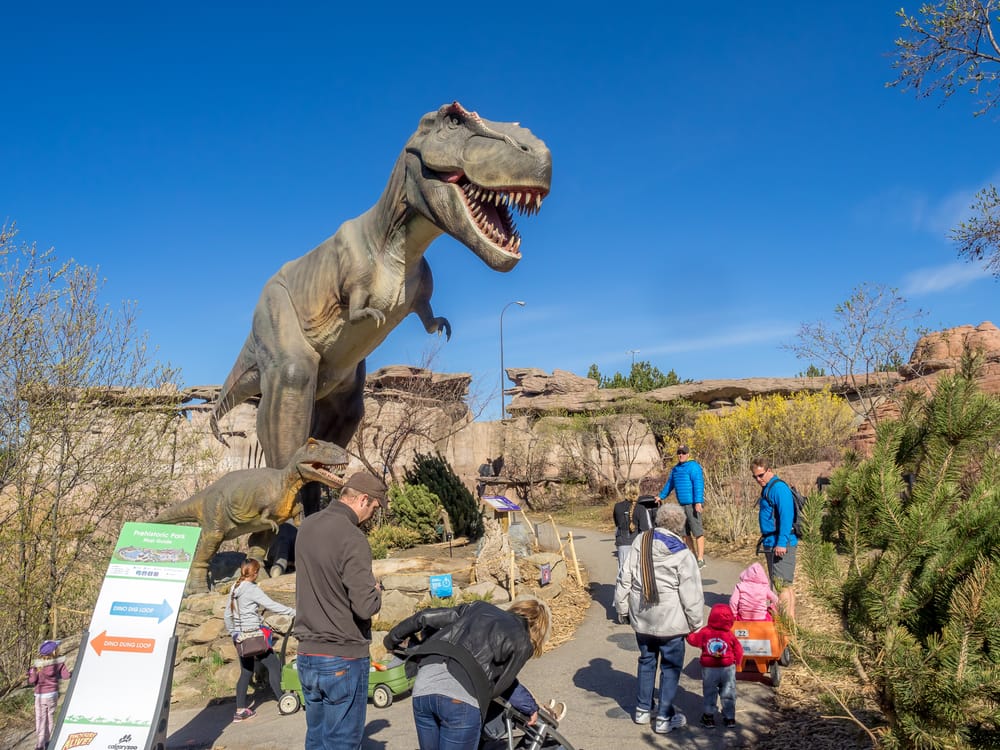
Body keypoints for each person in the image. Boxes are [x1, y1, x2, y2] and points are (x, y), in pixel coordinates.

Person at [294, 471, 387, 750]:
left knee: (316, 737)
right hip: (342, 655)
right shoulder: (352, 537)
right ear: (362, 499)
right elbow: (365, 606)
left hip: (308, 654)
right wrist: (377, 591)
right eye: (373, 508)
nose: (371, 515)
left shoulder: (307, 527)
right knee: (341, 742)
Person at [383, 598, 551, 750]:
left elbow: (425, 616)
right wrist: (529, 707)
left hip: (424, 685)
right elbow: (501, 687)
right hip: (460, 699)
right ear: (538, 630)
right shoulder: (524, 643)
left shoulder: (479, 607)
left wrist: (391, 639)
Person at [614, 504, 704, 735]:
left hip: (642, 615)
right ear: (681, 525)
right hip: (671, 620)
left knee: (646, 660)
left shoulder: (641, 541)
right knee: (670, 667)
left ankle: (643, 709)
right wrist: (696, 623)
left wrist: (622, 607)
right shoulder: (683, 552)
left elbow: (625, 575)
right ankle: (665, 716)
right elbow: (691, 593)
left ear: (658, 520)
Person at [223, 558, 296, 722]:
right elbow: (271, 605)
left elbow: (227, 615)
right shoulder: (252, 589)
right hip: (255, 637)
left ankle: (240, 711)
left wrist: (233, 633)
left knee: (246, 672)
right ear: (255, 573)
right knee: (274, 665)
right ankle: (284, 701)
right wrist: (293, 612)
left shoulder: (235, 587)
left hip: (241, 639)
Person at [751, 458, 798, 620]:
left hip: (780, 544)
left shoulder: (778, 488)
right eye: (755, 477)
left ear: (769, 470)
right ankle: (790, 624)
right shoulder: (768, 488)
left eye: (761, 475)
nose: (758, 479)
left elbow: (786, 517)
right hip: (772, 542)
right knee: (785, 585)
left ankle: (785, 625)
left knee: (782, 586)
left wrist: (781, 543)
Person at [685, 603, 744, 729]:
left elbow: (694, 640)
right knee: (728, 691)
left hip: (709, 669)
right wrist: (738, 662)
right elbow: (738, 649)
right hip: (727, 668)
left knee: (710, 692)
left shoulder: (705, 632)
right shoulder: (729, 635)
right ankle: (729, 717)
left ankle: (709, 717)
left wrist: (688, 635)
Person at [658, 445, 707, 567]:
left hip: (693, 504)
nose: (681, 455)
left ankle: (701, 559)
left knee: (697, 532)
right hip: (681, 505)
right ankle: (692, 557)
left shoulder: (693, 467)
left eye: (683, 453)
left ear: (688, 454)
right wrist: (660, 496)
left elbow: (698, 484)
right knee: (684, 533)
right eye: (679, 453)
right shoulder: (675, 469)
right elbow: (669, 485)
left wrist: (698, 502)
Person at [27, 639, 71, 750]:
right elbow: (66, 676)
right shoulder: (59, 663)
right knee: (50, 718)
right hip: (53, 695)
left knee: (40, 719)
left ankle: (40, 744)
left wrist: (30, 673)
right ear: (54, 651)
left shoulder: (37, 665)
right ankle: (47, 741)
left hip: (40, 696)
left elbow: (32, 680)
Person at [612, 489, 637, 580]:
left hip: (622, 539)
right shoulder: (640, 506)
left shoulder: (618, 506)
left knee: (623, 570)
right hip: (637, 540)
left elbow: (617, 523)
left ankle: (622, 588)